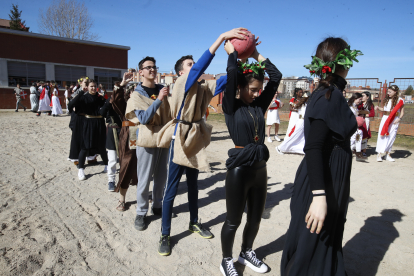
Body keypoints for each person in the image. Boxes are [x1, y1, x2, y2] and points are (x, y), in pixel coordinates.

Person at [155, 28, 242, 256]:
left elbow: (227, 79)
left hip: (195, 136)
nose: (194, 66)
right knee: (171, 189)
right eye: (190, 64)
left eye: (193, 63)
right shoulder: (183, 82)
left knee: (193, 185)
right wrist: (221, 38)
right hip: (180, 136)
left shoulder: (201, 87)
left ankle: (194, 222)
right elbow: (201, 65)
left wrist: (239, 56)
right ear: (181, 71)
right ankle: (165, 234)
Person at [281, 37, 362, 276]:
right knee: (311, 248)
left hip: (331, 178)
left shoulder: (329, 93)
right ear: (345, 63)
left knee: (323, 243)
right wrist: (319, 197)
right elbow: (313, 148)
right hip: (321, 181)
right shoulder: (326, 95)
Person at [220, 35, 282, 275]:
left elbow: (275, 76)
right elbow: (233, 75)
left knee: (255, 219)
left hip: (260, 170)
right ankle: (227, 259)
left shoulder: (259, 105)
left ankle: (247, 252)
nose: (257, 94)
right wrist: (232, 55)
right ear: (241, 87)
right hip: (239, 171)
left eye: (259, 90)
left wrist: (256, 54)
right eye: (253, 90)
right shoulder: (230, 107)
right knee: (233, 220)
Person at [124, 57, 171, 230]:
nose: (152, 70)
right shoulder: (137, 95)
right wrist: (159, 100)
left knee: (161, 177)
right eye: (148, 67)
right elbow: (143, 118)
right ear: (141, 72)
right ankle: (141, 212)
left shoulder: (162, 89)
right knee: (144, 179)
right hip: (146, 137)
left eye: (154, 67)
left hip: (163, 136)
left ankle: (157, 206)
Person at [68, 79, 108, 180]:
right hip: (88, 123)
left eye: (95, 86)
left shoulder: (100, 98)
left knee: (102, 146)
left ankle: (107, 165)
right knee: (85, 146)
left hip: (100, 123)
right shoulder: (83, 97)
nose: (93, 88)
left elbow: (106, 108)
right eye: (91, 86)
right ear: (88, 87)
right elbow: (71, 104)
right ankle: (81, 169)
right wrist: (82, 91)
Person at [111, 77, 138, 211]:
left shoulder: (145, 103)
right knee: (126, 165)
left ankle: (142, 196)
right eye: (133, 90)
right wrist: (121, 85)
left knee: (143, 167)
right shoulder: (125, 103)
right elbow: (115, 100)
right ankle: (122, 199)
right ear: (128, 93)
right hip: (129, 137)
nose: (136, 92)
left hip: (144, 137)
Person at [375, 85, 404, 162]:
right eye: (388, 91)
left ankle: (388, 154)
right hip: (386, 119)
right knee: (382, 135)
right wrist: (378, 107)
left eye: (390, 92)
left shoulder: (400, 100)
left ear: (395, 92)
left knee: (391, 136)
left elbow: (402, 112)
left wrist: (399, 119)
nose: (388, 93)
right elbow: (384, 109)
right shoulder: (387, 99)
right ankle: (379, 154)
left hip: (394, 120)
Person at [348, 93, 367, 162]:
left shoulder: (354, 106)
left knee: (358, 134)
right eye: (359, 99)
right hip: (349, 125)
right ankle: (355, 152)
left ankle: (358, 153)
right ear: (355, 98)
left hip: (354, 125)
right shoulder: (349, 106)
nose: (360, 101)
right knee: (353, 140)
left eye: (361, 100)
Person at [360, 91, 375, 156]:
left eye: (363, 96)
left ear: (367, 97)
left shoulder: (370, 104)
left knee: (364, 135)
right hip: (358, 120)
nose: (362, 97)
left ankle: (364, 151)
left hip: (365, 121)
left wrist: (364, 114)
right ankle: (357, 149)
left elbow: (372, 114)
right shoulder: (359, 103)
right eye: (361, 95)